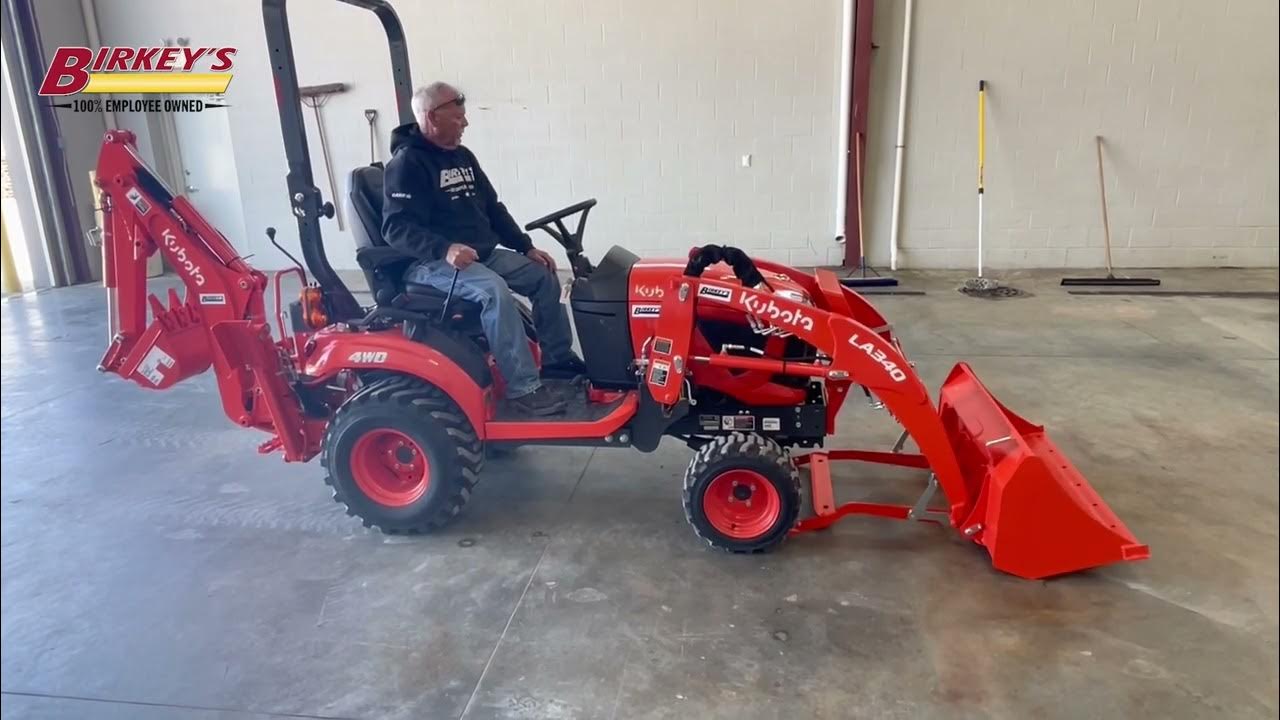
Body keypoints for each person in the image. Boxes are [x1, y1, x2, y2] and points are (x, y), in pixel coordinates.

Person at [381, 82, 583, 416]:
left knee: (544, 277)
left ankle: (558, 362)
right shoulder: (407, 164)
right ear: (432, 116)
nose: (466, 123)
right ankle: (523, 388)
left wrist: (525, 247)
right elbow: (395, 228)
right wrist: (445, 249)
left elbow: (492, 207)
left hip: (481, 253)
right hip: (431, 262)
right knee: (494, 291)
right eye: (459, 117)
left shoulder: (462, 157)